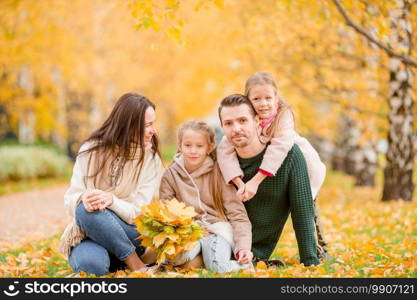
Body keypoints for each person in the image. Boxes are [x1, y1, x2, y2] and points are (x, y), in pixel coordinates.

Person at [217, 72, 328, 258]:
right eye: (256, 99)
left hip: (300, 162)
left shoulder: (283, 116)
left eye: (268, 98)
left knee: (306, 203)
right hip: (271, 158)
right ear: (248, 100)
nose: (263, 103)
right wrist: (239, 182)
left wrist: (255, 180)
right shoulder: (244, 120)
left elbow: (278, 149)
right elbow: (224, 151)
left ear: (276, 98)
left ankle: (317, 247)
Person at [59, 93, 163, 276]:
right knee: (91, 265)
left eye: (153, 123)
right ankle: (126, 261)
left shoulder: (150, 159)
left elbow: (140, 212)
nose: (153, 130)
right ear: (128, 126)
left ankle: (133, 261)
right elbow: (70, 200)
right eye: (147, 125)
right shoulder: (90, 151)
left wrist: (111, 201)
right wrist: (84, 197)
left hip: (131, 233)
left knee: (88, 210)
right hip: (89, 233)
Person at [159, 120, 253, 273]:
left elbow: (238, 214)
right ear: (180, 145)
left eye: (199, 146)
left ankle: (245, 266)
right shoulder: (171, 175)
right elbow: (165, 212)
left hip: (215, 230)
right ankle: (197, 259)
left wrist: (243, 247)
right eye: (188, 145)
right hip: (188, 232)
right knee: (176, 259)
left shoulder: (219, 173)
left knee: (217, 267)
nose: (193, 151)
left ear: (209, 147)